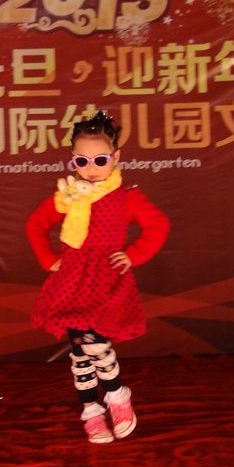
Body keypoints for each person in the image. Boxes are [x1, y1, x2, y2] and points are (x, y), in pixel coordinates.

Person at [25, 110, 170, 444]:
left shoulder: (126, 197)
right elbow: (35, 224)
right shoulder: (68, 196)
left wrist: (133, 254)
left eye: (100, 160)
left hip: (106, 281)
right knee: (80, 351)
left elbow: (158, 225)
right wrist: (49, 259)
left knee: (96, 344)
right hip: (71, 281)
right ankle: (92, 411)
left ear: (115, 157)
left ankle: (117, 396)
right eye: (82, 161)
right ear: (72, 160)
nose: (91, 168)